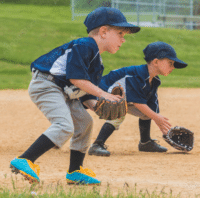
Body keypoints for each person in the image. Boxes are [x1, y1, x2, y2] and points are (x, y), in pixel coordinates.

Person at [9, 7, 140, 185]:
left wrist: (98, 107)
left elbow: (84, 92)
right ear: (103, 31)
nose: (123, 39)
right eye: (120, 33)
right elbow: (76, 78)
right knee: (64, 125)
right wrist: (103, 94)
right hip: (47, 85)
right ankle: (25, 159)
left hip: (66, 91)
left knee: (85, 123)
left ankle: (75, 171)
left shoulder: (97, 61)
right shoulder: (85, 45)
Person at [83, 42, 188, 157]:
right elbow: (138, 102)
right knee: (119, 110)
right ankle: (97, 144)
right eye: (170, 63)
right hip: (97, 95)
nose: (173, 67)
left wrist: (163, 129)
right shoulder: (136, 76)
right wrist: (156, 117)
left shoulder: (154, 81)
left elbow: (152, 107)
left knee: (147, 112)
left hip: (119, 98)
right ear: (156, 62)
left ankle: (145, 142)